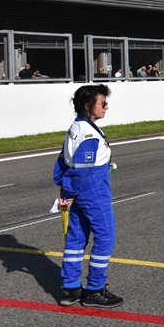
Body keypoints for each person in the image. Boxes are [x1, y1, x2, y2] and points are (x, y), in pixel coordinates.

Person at [53, 84, 123, 309]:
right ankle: (95, 289)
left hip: (80, 190)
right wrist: (70, 191)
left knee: (76, 238)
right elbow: (81, 169)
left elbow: (62, 160)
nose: (106, 107)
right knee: (105, 237)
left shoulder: (76, 127)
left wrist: (65, 188)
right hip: (93, 191)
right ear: (87, 105)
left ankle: (70, 288)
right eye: (102, 103)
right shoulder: (89, 134)